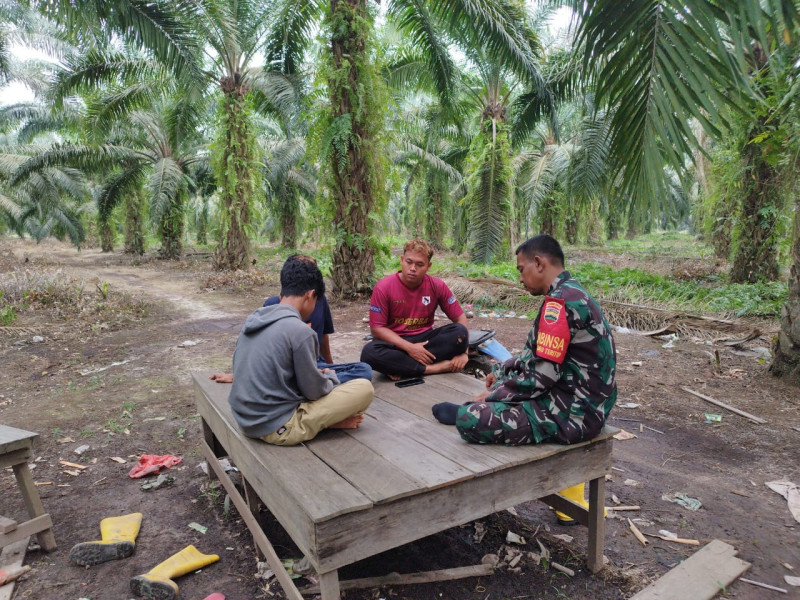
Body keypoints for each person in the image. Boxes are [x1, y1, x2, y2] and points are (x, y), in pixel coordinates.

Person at [432, 234, 617, 524]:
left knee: (470, 420)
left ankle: (471, 411)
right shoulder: (572, 293)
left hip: (572, 414)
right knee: (500, 390)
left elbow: (540, 377)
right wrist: (503, 372)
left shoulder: (559, 305)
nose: (520, 278)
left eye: (521, 269)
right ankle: (482, 407)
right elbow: (536, 357)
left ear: (539, 263)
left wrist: (492, 396)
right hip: (578, 400)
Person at [212, 256, 374, 446]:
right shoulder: (300, 331)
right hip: (277, 428)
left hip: (245, 421)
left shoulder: (255, 319)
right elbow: (314, 392)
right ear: (310, 295)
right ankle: (322, 424)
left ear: (282, 292)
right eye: (315, 300)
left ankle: (321, 420)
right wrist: (329, 376)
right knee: (363, 388)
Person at [361, 238, 469, 380]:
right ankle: (433, 368)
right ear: (401, 260)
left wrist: (464, 353)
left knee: (459, 332)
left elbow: (460, 319)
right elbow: (377, 329)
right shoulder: (383, 287)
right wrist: (410, 349)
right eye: (409, 262)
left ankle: (402, 366)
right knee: (368, 353)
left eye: (419, 264)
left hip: (426, 342)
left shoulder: (437, 285)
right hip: (396, 343)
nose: (413, 268)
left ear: (428, 266)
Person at [263, 254, 373, 384]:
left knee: (364, 370)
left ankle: (311, 383)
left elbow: (324, 339)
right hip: (287, 367)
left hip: (316, 363)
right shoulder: (273, 305)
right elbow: (263, 348)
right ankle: (313, 384)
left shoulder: (320, 300)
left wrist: (330, 366)